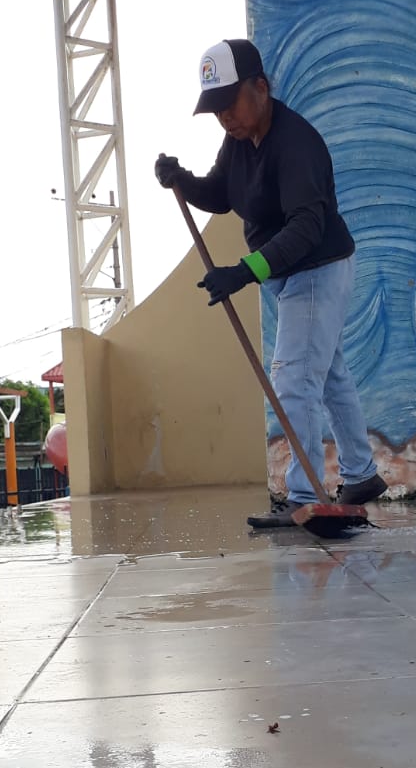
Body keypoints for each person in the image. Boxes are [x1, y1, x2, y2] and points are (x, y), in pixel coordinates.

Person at [156, 38, 386, 530]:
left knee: (293, 378)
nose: (225, 117)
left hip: (317, 267)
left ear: (260, 87)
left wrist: (244, 272)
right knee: (327, 373)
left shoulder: (296, 144)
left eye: (230, 103)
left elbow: (305, 228)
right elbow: (221, 193)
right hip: (291, 275)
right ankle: (361, 473)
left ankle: (304, 495)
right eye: (215, 109)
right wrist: (182, 180)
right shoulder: (240, 142)